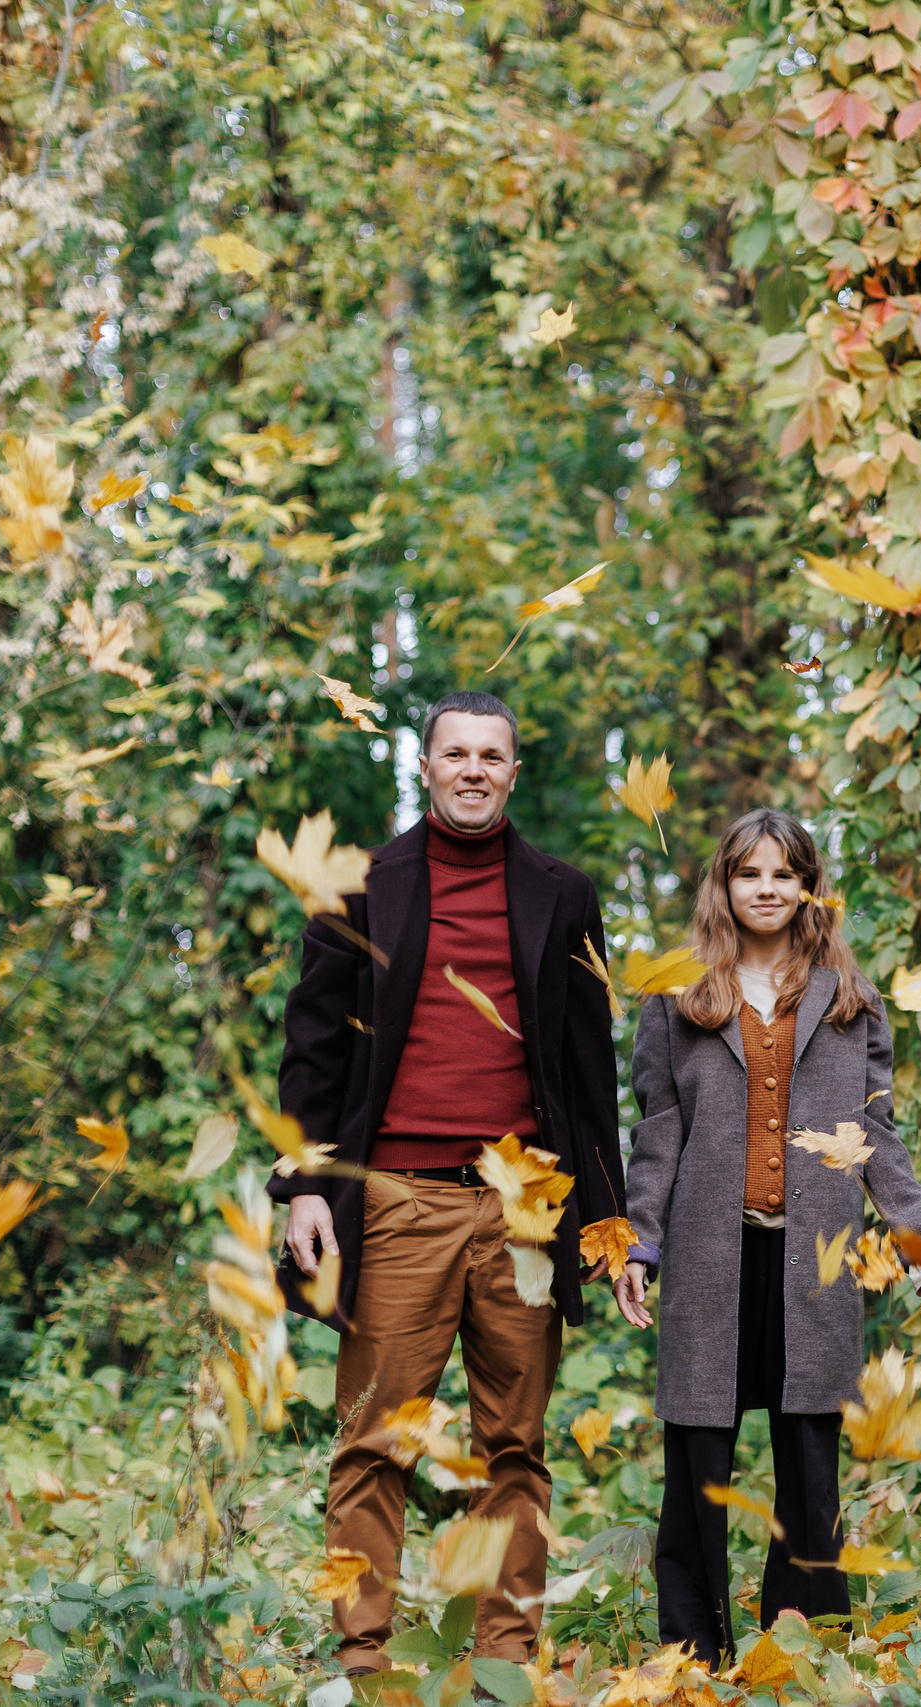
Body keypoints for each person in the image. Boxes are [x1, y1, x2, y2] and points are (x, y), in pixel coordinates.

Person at [271, 689, 625, 1674]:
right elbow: (310, 1050)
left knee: (514, 1449)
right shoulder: (360, 884)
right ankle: (362, 1664)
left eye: (492, 755)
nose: (473, 769)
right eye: (455, 753)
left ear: (516, 771)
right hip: (393, 1201)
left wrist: (608, 1223)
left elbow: (589, 1074)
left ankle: (505, 1667)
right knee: (373, 1442)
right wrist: (304, 1187)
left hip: (523, 1209)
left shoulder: (565, 895)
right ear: (425, 767)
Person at [615, 809, 921, 1664]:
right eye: (749, 873)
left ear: (808, 885)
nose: (765, 889)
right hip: (708, 1254)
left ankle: (802, 1644)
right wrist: (638, 1241)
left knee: (809, 1459)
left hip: (814, 1258)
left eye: (783, 873)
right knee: (699, 1456)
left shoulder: (850, 997)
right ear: (723, 885)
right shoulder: (677, 993)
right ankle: (692, 1650)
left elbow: (876, 1133)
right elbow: (657, 1127)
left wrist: (918, 1238)